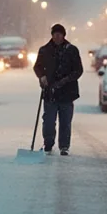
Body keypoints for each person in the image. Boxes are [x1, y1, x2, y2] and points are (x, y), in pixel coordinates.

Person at [33, 24, 84, 156]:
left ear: (63, 35)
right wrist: (42, 77)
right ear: (52, 35)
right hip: (50, 92)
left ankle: (64, 146)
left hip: (67, 92)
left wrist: (66, 80)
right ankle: (48, 144)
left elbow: (78, 70)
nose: (57, 36)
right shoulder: (44, 50)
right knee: (49, 121)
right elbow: (37, 67)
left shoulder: (72, 50)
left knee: (65, 121)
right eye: (55, 34)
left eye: (59, 34)